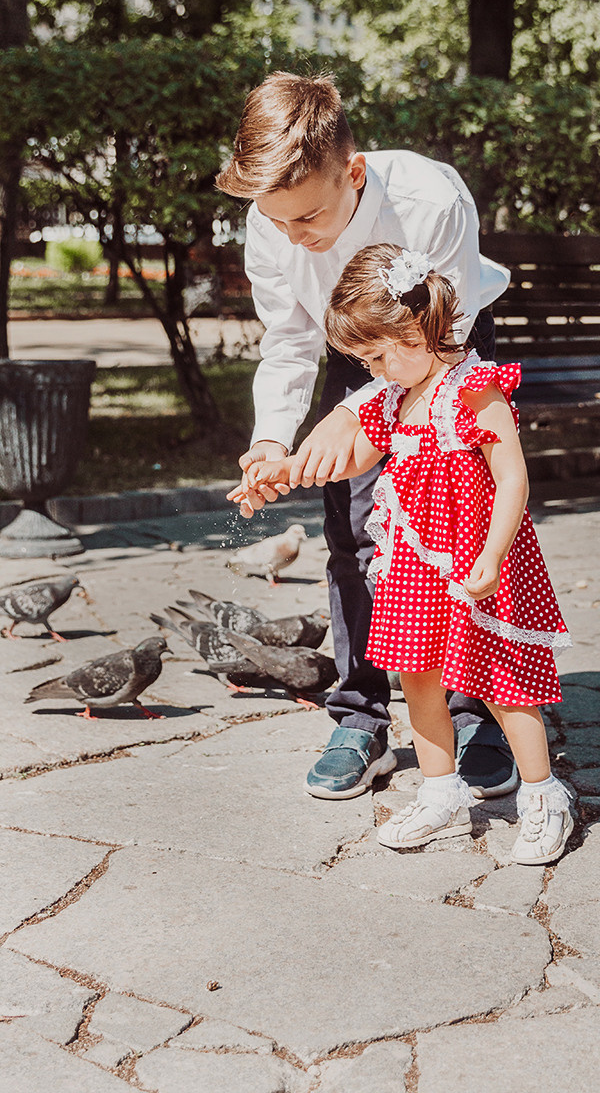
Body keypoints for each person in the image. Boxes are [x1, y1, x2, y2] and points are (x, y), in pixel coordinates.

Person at [218, 71, 518, 802]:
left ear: (353, 172)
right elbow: (289, 341)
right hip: (355, 360)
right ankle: (359, 714)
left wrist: (358, 413)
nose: (293, 236)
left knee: (457, 529)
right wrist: (269, 442)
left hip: (446, 353)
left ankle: (470, 708)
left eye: (308, 220)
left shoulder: (431, 199)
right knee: (355, 536)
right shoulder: (270, 218)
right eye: (277, 220)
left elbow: (444, 338)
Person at [230, 243, 575, 863]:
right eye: (364, 359)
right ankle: (440, 794)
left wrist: (492, 558)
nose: (374, 370)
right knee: (417, 679)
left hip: (474, 564)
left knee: (503, 684)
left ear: (416, 329)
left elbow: (514, 480)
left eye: (378, 354)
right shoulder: (392, 399)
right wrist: (278, 471)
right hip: (414, 567)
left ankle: (544, 796)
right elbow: (349, 459)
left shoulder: (475, 387)